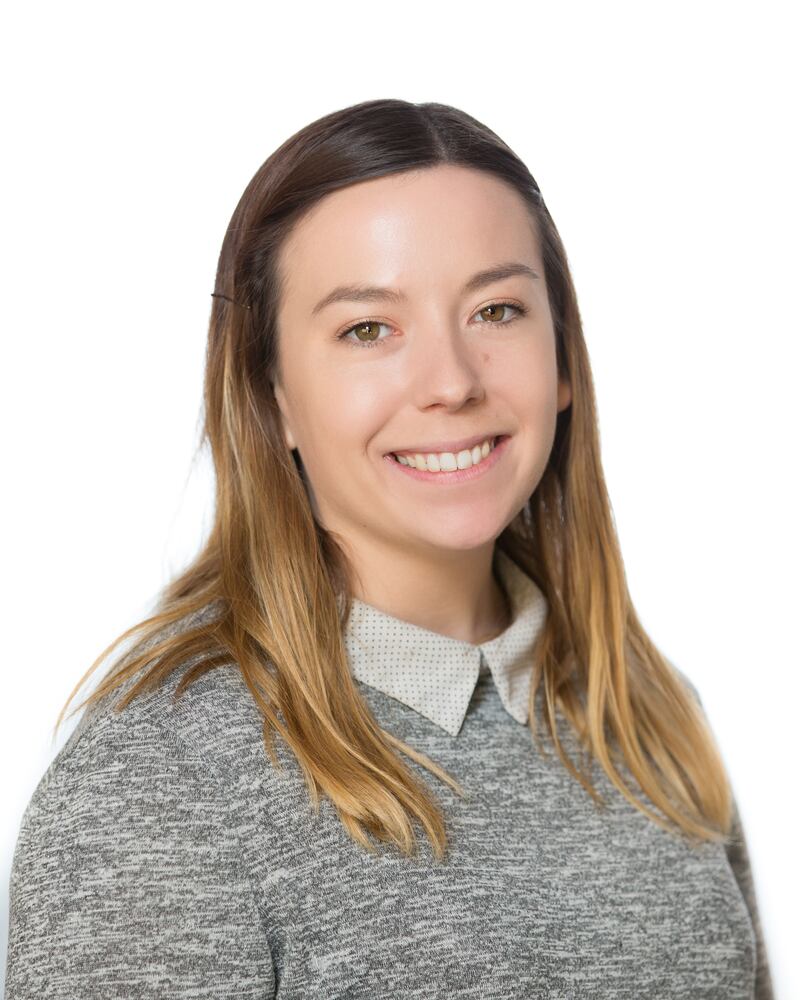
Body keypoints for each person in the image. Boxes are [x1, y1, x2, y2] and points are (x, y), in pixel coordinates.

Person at [5, 98, 773, 999]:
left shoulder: (651, 719)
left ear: (563, 359)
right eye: (368, 328)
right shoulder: (158, 785)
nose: (450, 382)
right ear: (272, 395)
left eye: (496, 310)